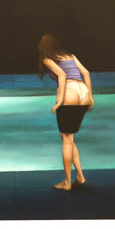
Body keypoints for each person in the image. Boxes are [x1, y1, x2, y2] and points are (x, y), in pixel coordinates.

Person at [38, 34, 94, 191]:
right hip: (83, 91)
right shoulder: (71, 56)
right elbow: (86, 73)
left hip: (70, 92)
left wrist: (59, 100)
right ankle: (80, 177)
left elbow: (62, 75)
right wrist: (90, 96)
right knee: (68, 137)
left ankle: (67, 182)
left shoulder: (47, 60)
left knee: (67, 139)